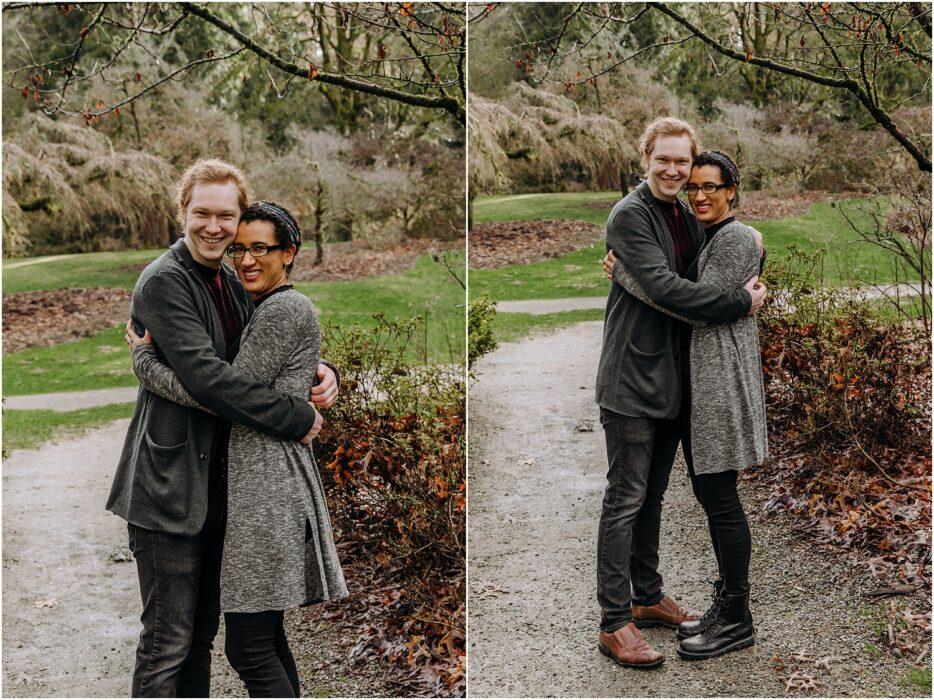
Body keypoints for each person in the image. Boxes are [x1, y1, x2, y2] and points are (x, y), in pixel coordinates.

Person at [106, 159, 340, 697]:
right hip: (170, 490)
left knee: (200, 639)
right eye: (201, 213)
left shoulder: (232, 277)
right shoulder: (164, 283)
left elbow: (258, 357)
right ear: (181, 213)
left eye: (226, 216)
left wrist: (320, 373)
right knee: (168, 640)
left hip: (220, 494)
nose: (214, 227)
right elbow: (213, 382)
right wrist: (298, 415)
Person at [593, 117, 767, 669]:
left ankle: (646, 597)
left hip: (673, 378)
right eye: (663, 160)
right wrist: (740, 303)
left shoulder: (686, 215)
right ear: (645, 159)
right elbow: (669, 289)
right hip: (631, 379)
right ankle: (615, 621)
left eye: (683, 162)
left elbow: (697, 281)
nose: (674, 171)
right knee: (625, 498)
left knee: (652, 497)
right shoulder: (630, 215)